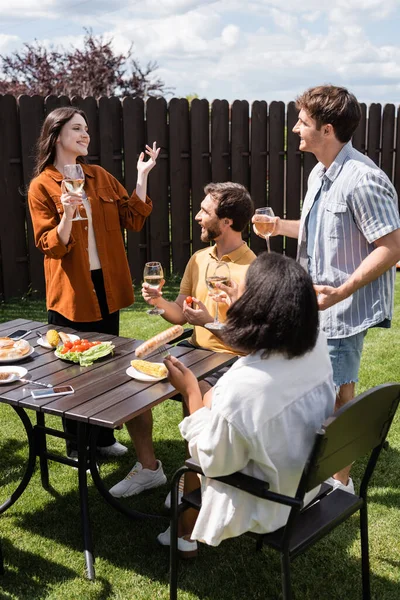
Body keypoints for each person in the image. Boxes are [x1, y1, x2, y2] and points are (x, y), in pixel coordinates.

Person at [254, 85, 400, 492]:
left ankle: (340, 482)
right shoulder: (321, 171)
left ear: (327, 129)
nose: (296, 128)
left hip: (342, 307)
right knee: (318, 385)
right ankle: (319, 464)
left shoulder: (363, 179)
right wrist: (280, 226)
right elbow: (322, 232)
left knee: (337, 393)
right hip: (315, 302)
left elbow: (390, 246)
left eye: (303, 121)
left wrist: (343, 291)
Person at [156, 252, 336, 555]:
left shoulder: (246, 386)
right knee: (214, 401)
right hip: (304, 477)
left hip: (270, 499)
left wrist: (190, 394)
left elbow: (213, 460)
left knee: (197, 447)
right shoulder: (314, 346)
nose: (235, 290)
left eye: (243, 289)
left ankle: (184, 532)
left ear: (258, 309)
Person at [109, 182, 256, 498]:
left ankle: (193, 481)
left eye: (205, 211)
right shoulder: (200, 259)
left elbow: (251, 344)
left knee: (198, 393)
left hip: (232, 359)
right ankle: (149, 469)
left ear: (227, 221)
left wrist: (210, 323)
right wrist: (159, 301)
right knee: (134, 380)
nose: (198, 217)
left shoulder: (254, 269)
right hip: (194, 349)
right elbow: (180, 313)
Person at [28, 106, 160, 458]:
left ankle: (101, 438)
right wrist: (68, 212)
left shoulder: (99, 176)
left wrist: (141, 175)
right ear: (56, 136)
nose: (85, 134)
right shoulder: (42, 186)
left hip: (106, 286)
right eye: (77, 129)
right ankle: (77, 445)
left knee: (106, 364)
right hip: (72, 290)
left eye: (86, 129)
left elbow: (133, 218)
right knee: (70, 369)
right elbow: (50, 246)